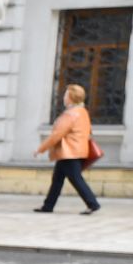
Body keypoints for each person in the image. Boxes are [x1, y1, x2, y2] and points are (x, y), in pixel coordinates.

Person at [35, 83, 100, 216]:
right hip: (76, 151)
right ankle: (48, 205)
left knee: (75, 179)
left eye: (65, 95)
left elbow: (57, 135)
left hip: (69, 152)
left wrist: (41, 149)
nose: (64, 98)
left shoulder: (71, 114)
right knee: (58, 179)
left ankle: (92, 203)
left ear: (71, 97)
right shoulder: (83, 112)